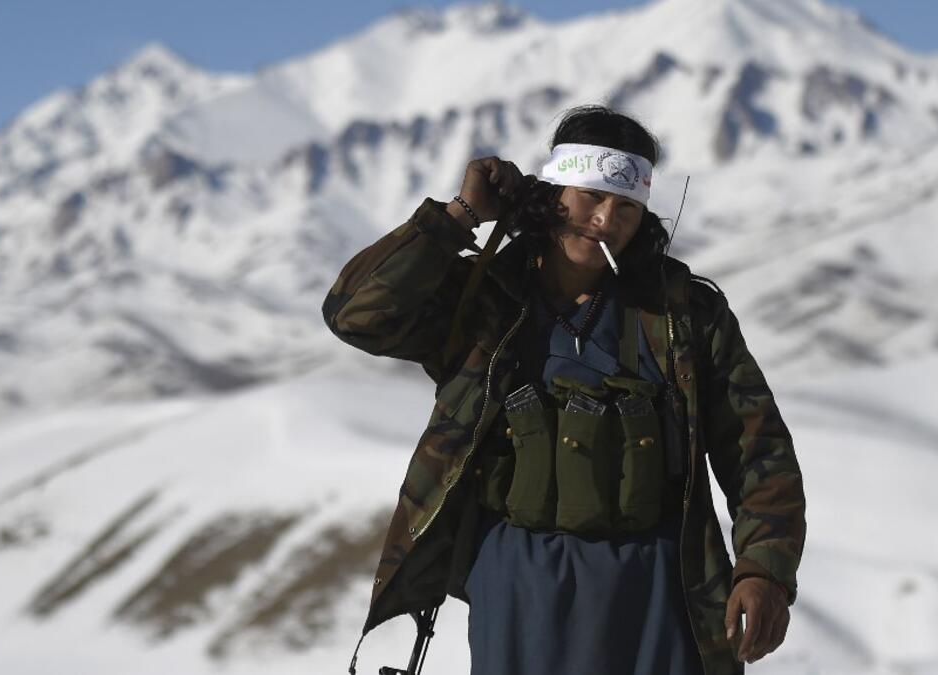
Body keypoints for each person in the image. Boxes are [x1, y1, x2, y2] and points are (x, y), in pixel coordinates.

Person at [323, 105, 805, 675]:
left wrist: (764, 569)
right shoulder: (483, 299)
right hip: (519, 579)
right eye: (590, 197)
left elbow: (757, 448)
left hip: (656, 580)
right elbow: (356, 315)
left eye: (625, 206)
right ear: (553, 194)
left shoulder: (683, 315)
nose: (605, 220)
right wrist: (461, 215)